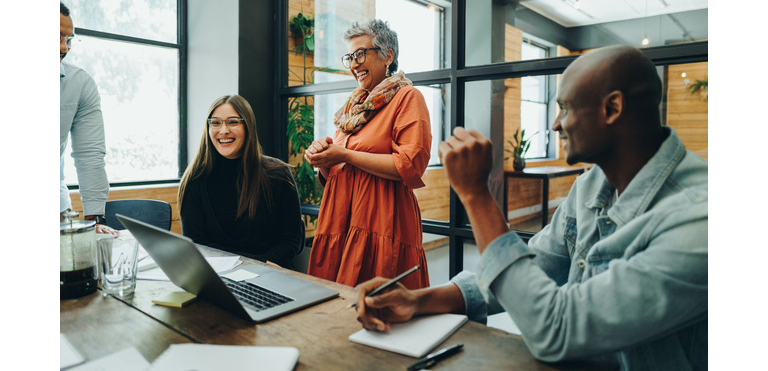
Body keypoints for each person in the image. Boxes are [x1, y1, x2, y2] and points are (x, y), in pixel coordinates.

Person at [353, 45, 708, 370]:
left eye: (565, 108)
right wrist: (419, 300)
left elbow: (557, 329)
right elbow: (532, 267)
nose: (555, 124)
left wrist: (476, 195)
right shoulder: (591, 185)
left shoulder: (699, 221)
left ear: (612, 108)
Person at [304, 18, 432, 289]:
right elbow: (335, 174)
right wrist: (323, 159)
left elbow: (408, 166)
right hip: (340, 220)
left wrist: (345, 155)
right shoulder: (352, 109)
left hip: (382, 222)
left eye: (361, 53)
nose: (353, 64)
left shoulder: (408, 98)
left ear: (388, 56)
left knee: (381, 309)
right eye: (350, 57)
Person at [178, 95, 305, 270]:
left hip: (271, 272)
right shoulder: (194, 179)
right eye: (215, 122)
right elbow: (198, 244)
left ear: (248, 127)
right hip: (219, 275)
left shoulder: (278, 174)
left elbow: (291, 242)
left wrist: (254, 267)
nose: (223, 130)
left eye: (232, 122)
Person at [60, 1, 116, 236]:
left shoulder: (79, 83)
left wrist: (95, 220)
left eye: (68, 39)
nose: (63, 47)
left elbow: (89, 155)